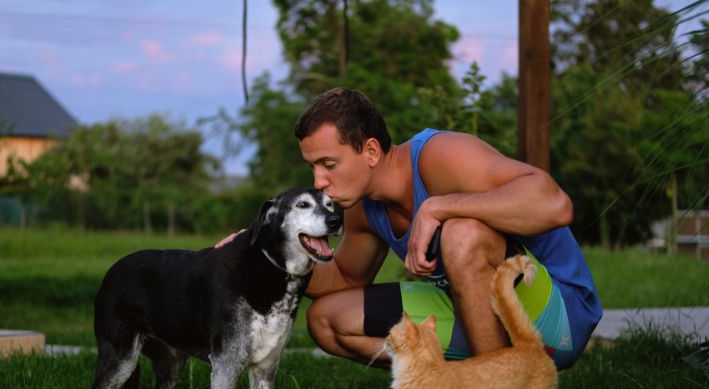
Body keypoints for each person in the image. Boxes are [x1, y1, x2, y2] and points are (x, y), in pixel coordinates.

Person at [220, 87, 602, 370]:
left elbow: (554, 203)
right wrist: (262, 255)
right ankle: (451, 388)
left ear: (370, 151)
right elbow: (345, 278)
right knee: (327, 320)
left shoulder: (440, 155)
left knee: (462, 233)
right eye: (312, 168)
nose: (319, 181)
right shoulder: (363, 208)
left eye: (328, 164)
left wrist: (438, 207)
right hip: (476, 313)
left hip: (557, 313)